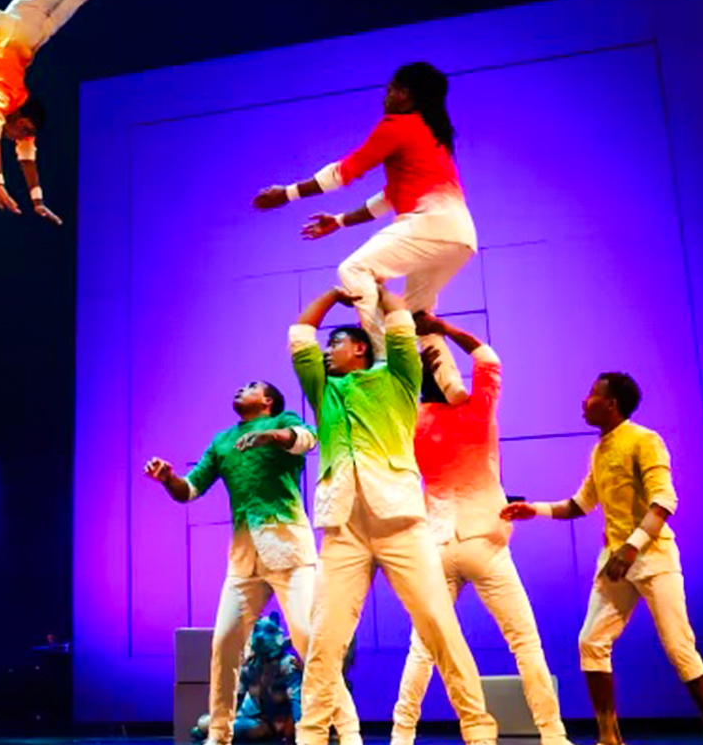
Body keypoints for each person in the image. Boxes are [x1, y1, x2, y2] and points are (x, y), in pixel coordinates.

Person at [289, 280, 497, 745]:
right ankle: (311, 735)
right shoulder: (325, 391)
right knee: (325, 639)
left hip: (400, 523)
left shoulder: (398, 379)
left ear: (360, 348)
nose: (327, 351)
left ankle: (479, 731)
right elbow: (300, 335)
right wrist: (330, 296)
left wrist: (379, 288)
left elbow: (401, 326)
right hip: (344, 527)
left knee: (438, 625)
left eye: (335, 343)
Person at [502, 373, 703, 745]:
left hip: (652, 558)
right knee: (591, 642)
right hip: (615, 561)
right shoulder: (600, 450)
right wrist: (535, 510)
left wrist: (631, 548)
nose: (585, 400)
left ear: (611, 404)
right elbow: (580, 504)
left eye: (592, 394)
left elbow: (664, 501)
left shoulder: (644, 440)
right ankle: (609, 736)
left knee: (679, 647)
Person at [388, 315, 571, 745]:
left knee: (424, 647)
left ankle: (401, 734)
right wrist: (444, 329)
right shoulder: (479, 408)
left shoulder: (414, 426)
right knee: (524, 641)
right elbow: (488, 359)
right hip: (484, 541)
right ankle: (553, 733)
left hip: (437, 544)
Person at [254, 62, 475, 404]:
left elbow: (343, 172)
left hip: (431, 224)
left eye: (392, 89)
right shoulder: (432, 136)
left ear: (408, 95)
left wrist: (287, 193)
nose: (385, 96)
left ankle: (383, 357)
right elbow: (388, 198)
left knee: (354, 269)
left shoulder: (398, 125)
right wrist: (340, 221)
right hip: (460, 237)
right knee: (418, 316)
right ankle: (453, 389)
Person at [144, 380, 315, 745]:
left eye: (251, 387)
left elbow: (306, 438)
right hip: (244, 560)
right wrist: (168, 478)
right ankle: (218, 735)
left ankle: (320, 731)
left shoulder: (283, 420)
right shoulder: (222, 441)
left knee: (308, 640)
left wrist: (271, 436)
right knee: (224, 643)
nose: (240, 388)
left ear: (267, 401)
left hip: (289, 552)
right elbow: (189, 490)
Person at [0, 0, 168, 224]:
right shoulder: (11, 101)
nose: (19, 136)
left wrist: (6, 186)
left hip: (24, 27)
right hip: (30, 31)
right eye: (24, 130)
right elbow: (23, 155)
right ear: (23, 116)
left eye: (21, 131)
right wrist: (31, 197)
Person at [191, 613, 304, 744]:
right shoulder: (250, 666)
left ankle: (214, 736)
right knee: (205, 722)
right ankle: (213, 735)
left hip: (275, 724)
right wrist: (225, 718)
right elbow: (236, 699)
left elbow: (297, 703)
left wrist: (296, 734)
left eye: (269, 631)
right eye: (256, 630)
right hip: (253, 716)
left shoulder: (288, 665)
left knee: (237, 727)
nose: (261, 636)